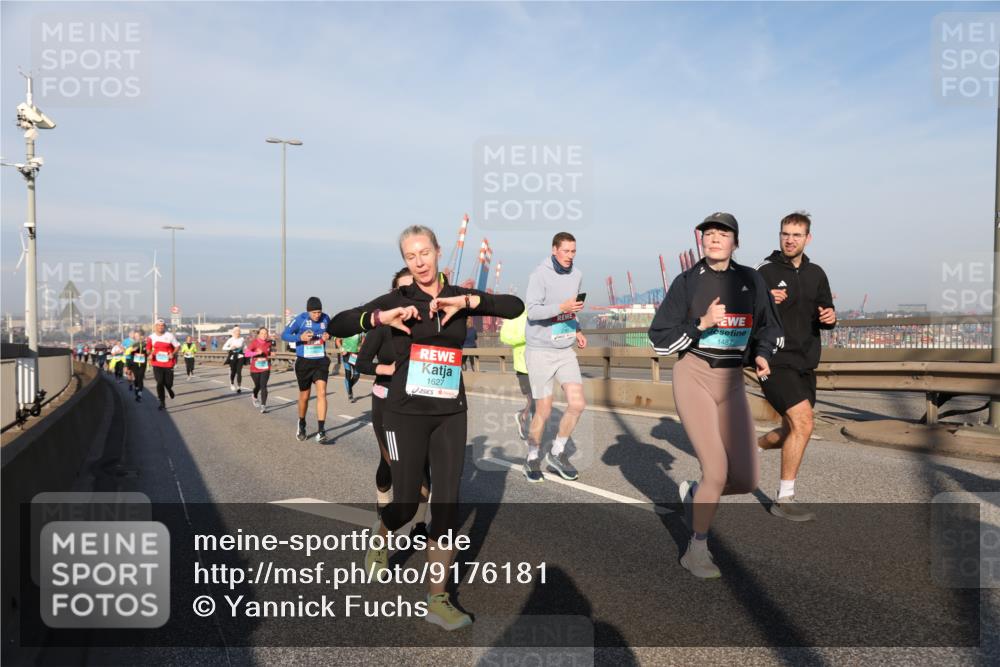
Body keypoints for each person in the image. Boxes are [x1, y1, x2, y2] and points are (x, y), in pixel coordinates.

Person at [329, 225, 523, 631]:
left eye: (424, 253)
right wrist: (380, 316)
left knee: (446, 507)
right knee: (404, 504)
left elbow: (514, 306)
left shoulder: (457, 296)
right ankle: (382, 535)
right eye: (410, 256)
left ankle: (438, 598)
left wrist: (471, 300)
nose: (418, 262)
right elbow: (339, 324)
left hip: (449, 412)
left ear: (438, 253)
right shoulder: (399, 298)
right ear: (405, 260)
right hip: (403, 413)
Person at [648, 212, 784, 579]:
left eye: (722, 234)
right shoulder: (688, 282)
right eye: (707, 233)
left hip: (733, 381)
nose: (714, 238)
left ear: (735, 242)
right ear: (701, 241)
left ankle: (694, 495)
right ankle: (697, 548)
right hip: (694, 375)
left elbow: (771, 327)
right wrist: (702, 324)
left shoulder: (750, 280)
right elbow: (659, 337)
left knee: (746, 480)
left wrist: (761, 353)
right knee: (717, 469)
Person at [755, 211, 836, 522]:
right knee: (804, 423)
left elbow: (825, 311)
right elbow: (745, 310)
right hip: (774, 360)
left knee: (791, 429)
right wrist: (765, 301)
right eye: (785, 234)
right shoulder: (763, 271)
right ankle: (784, 498)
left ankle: (751, 450)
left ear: (807, 238)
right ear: (779, 236)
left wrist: (830, 317)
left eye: (796, 235)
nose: (789, 240)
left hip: (805, 363)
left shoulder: (817, 273)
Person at [355, 267, 432, 524]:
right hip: (386, 401)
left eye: (414, 289)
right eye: (403, 291)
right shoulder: (382, 327)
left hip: (418, 401)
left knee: (421, 466)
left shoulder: (429, 324)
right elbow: (362, 362)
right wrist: (386, 368)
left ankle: (420, 523)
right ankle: (383, 499)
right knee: (391, 464)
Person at [523, 231, 587, 483]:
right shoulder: (539, 275)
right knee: (545, 410)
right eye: (566, 251)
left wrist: (578, 329)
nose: (570, 256)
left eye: (573, 251)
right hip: (539, 350)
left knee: (578, 404)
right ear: (554, 250)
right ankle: (531, 456)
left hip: (565, 348)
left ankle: (557, 453)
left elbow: (571, 310)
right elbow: (532, 311)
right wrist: (562, 307)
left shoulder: (577, 275)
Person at [281, 297, 333, 442]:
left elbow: (330, 332)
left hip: (320, 361)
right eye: (314, 312)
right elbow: (284, 335)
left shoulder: (326, 318)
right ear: (308, 311)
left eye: (319, 312)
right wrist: (300, 337)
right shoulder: (300, 319)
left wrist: (328, 335)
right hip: (304, 362)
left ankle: (321, 431)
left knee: (322, 392)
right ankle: (302, 422)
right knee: (305, 396)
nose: (317, 315)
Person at [499, 309, 534, 440]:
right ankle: (523, 418)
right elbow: (504, 336)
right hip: (523, 366)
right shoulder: (515, 315)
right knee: (534, 400)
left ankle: (528, 422)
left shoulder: (541, 313)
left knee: (542, 401)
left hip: (542, 364)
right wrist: (526, 336)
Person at [147, 319, 181, 411]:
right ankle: (162, 402)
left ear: (164, 327)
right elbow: (148, 348)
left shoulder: (169, 336)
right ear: (155, 327)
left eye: (162, 325)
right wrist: (149, 354)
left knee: (169, 383)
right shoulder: (151, 337)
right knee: (160, 382)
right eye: (159, 325)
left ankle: (169, 390)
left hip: (168, 363)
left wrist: (172, 354)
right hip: (156, 363)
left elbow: (178, 346)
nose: (161, 327)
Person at [244, 327, 273, 414]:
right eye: (262, 333)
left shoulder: (269, 343)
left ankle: (263, 405)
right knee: (258, 386)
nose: (264, 335)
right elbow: (246, 353)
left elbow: (271, 352)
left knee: (263, 386)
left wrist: (272, 353)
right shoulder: (254, 343)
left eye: (265, 333)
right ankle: (254, 395)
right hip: (255, 369)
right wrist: (256, 353)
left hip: (265, 367)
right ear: (259, 334)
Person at [125, 330, 149, 403]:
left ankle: (139, 394)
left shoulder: (146, 344)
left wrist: (149, 353)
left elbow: (150, 351)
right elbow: (126, 352)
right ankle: (136, 388)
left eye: (137, 336)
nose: (136, 337)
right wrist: (132, 350)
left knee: (140, 378)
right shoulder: (133, 344)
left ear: (142, 336)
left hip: (142, 364)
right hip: (134, 364)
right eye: (135, 336)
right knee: (136, 378)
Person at [338, 333, 363, 403]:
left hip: (355, 355)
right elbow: (337, 340)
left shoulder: (360, 330)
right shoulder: (344, 329)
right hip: (346, 354)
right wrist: (342, 349)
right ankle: (350, 394)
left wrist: (361, 347)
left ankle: (349, 387)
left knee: (356, 376)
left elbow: (363, 339)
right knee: (348, 374)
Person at [222, 327, 246, 393]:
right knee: (233, 372)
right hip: (233, 357)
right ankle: (232, 383)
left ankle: (239, 387)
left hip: (240, 356)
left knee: (239, 372)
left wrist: (247, 352)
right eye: (236, 331)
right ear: (234, 332)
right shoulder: (230, 339)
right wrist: (230, 347)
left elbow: (245, 347)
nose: (238, 332)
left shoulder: (242, 339)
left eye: (239, 331)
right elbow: (223, 347)